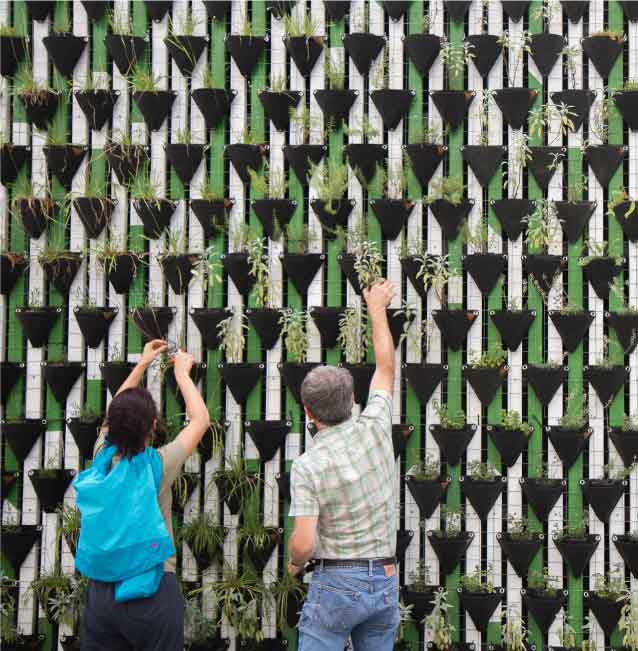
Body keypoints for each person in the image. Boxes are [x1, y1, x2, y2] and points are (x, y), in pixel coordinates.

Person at [288, 280, 399, 651]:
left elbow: (304, 544)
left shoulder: (307, 466)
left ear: (307, 411)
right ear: (353, 399)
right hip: (384, 578)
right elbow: (386, 365)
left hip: (336, 582)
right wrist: (377, 308)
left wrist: (293, 564)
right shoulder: (376, 426)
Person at [81, 340, 210, 651]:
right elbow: (200, 421)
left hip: (101, 593)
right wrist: (182, 374)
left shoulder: (101, 459)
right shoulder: (157, 467)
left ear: (110, 427)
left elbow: (114, 414)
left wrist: (141, 365)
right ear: (153, 425)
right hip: (151, 588)